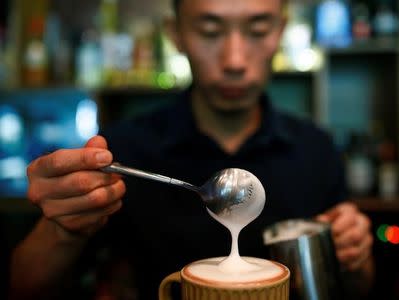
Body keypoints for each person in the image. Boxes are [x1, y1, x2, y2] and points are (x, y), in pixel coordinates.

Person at [8, 0, 374, 299]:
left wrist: (354, 256)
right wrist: (62, 229)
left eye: (258, 30)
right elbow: (24, 287)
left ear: (280, 30)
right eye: (210, 31)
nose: (234, 61)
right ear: (176, 34)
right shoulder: (125, 151)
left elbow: (357, 288)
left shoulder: (316, 149)